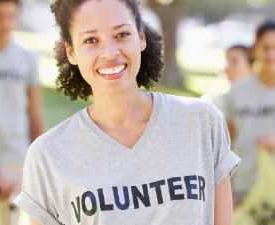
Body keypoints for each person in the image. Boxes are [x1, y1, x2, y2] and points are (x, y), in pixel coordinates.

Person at [14, 0, 240, 224]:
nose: (110, 53)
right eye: (91, 40)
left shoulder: (200, 121)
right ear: (71, 51)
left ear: (141, 37)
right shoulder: (48, 155)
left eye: (121, 35)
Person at [0, 0, 44, 223]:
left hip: (16, 156)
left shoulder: (28, 59)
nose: (5, 23)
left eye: (11, 16)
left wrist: (40, 158)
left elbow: (34, 112)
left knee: (12, 220)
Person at [221, 20, 275, 208]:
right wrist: (227, 192)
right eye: (265, 47)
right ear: (255, 49)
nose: (271, 55)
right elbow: (226, 146)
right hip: (243, 195)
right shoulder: (237, 92)